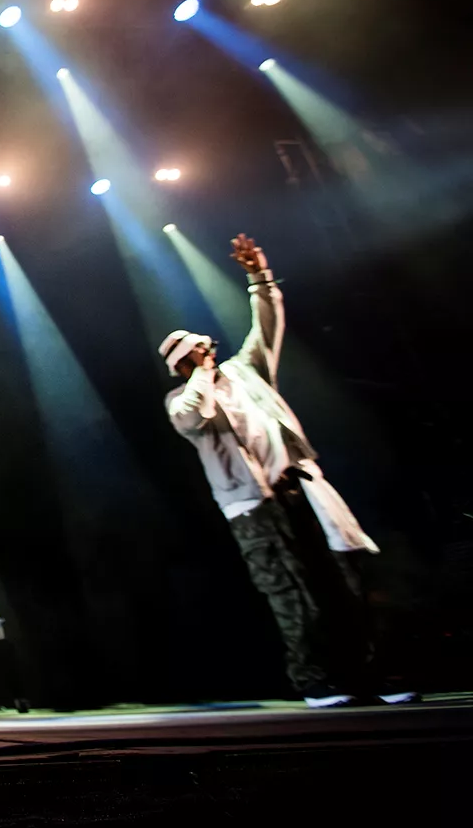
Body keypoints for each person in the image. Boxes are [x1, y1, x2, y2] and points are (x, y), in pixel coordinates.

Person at [160, 233, 414, 709]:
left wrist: (259, 278)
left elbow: (266, 328)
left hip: (301, 486)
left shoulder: (245, 372)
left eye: (207, 347)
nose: (209, 351)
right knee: (292, 592)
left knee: (350, 575)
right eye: (197, 351)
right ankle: (317, 679)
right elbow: (193, 417)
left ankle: (379, 672)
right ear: (183, 364)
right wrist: (200, 373)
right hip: (253, 508)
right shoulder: (181, 399)